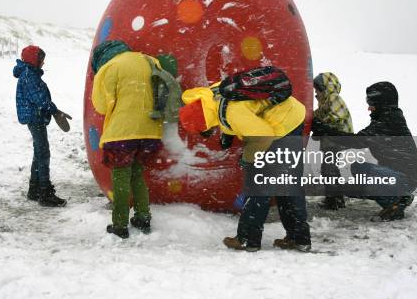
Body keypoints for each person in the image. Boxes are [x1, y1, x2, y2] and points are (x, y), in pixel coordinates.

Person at [179, 78, 311, 252]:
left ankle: (248, 239)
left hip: (282, 126)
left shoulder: (233, 113)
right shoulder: (211, 95)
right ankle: (299, 238)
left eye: (205, 129)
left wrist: (248, 159)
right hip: (291, 115)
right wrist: (227, 133)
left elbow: (262, 135)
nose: (209, 132)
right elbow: (235, 109)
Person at [312, 81, 417, 221]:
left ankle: (395, 203)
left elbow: (355, 141)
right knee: (355, 178)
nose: (369, 108)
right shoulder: (388, 118)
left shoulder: (387, 122)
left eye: (371, 103)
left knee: (359, 174)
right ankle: (399, 196)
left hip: (405, 178)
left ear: (382, 103)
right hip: (401, 176)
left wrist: (322, 128)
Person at [91, 40, 163, 239]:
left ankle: (120, 225)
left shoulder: (109, 68)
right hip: (150, 131)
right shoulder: (150, 61)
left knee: (121, 178)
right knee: (138, 175)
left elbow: (101, 106)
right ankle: (143, 217)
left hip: (122, 133)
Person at [14, 45, 68, 207]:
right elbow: (39, 99)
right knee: (43, 153)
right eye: (41, 60)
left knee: (39, 153)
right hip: (35, 118)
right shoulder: (29, 76)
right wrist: (54, 110)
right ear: (34, 60)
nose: (43, 63)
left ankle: (34, 189)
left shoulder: (29, 74)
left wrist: (53, 110)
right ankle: (45, 193)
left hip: (35, 117)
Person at [312, 72, 353, 210]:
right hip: (331, 139)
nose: (315, 92)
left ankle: (334, 200)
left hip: (338, 138)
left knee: (329, 168)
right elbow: (319, 113)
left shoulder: (333, 98)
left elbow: (336, 116)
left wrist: (320, 124)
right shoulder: (325, 100)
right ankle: (336, 198)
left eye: (317, 89)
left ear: (325, 88)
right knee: (330, 168)